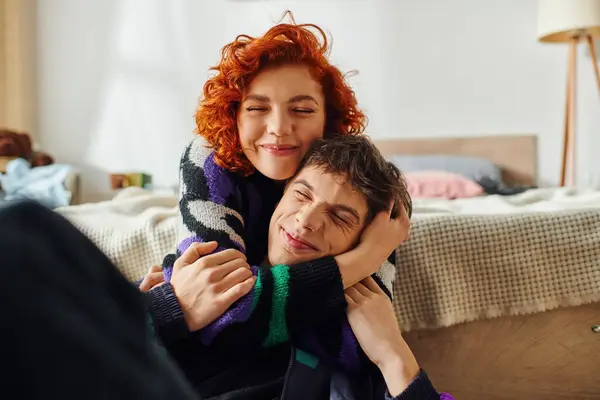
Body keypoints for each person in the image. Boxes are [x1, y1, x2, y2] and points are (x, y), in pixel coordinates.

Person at [145, 11, 406, 370]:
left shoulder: (359, 186)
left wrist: (257, 294)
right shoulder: (208, 159)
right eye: (256, 107)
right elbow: (223, 312)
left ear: (328, 123)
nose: (280, 128)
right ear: (234, 115)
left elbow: (354, 346)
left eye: (301, 109)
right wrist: (364, 257)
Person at [154, 134, 453, 399]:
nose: (307, 220)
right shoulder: (188, 282)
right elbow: (109, 349)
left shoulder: (356, 340)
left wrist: (394, 357)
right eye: (302, 194)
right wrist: (164, 309)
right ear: (281, 192)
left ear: (364, 241)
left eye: (340, 217)